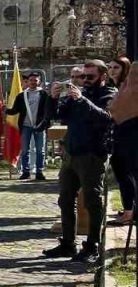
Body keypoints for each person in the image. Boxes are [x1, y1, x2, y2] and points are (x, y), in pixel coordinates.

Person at [44, 60, 116, 264]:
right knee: (65, 199)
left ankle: (92, 245)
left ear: (102, 76)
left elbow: (106, 118)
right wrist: (53, 97)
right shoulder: (76, 96)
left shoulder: (108, 94)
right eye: (83, 76)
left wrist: (83, 100)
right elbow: (55, 115)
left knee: (93, 201)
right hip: (71, 153)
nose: (84, 80)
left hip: (92, 155)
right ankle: (67, 243)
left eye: (90, 77)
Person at [5, 71, 52, 181]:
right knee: (25, 150)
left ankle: (39, 171)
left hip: (39, 126)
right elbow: (15, 110)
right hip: (25, 126)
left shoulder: (44, 95)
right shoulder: (21, 95)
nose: (33, 82)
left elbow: (48, 110)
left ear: (39, 82)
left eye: (35, 80)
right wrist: (5, 110)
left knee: (40, 150)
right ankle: (25, 171)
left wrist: (46, 123)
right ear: (28, 81)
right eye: (31, 80)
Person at [109, 58, 133, 220]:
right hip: (118, 136)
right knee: (121, 174)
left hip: (128, 136)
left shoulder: (128, 88)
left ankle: (129, 211)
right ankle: (129, 208)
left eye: (116, 67)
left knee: (127, 175)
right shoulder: (117, 87)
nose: (112, 70)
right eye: (110, 67)